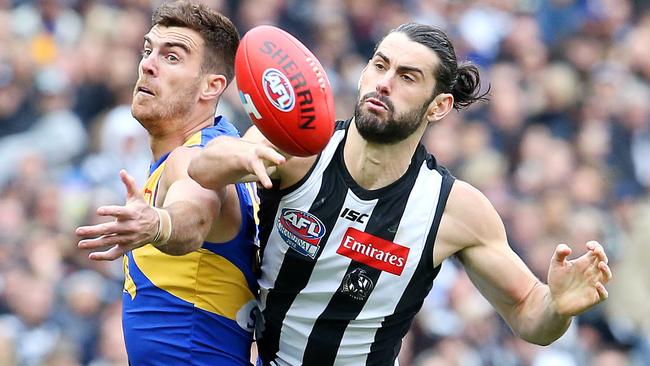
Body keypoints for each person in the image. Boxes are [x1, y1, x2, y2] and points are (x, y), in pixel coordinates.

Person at [188, 23, 612, 365]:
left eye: (407, 77)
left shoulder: (455, 210)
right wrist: (234, 155)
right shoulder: (297, 151)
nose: (384, 83)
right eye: (379, 65)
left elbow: (529, 316)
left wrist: (558, 305)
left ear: (439, 106)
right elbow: (202, 168)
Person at [75, 1, 258, 365]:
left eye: (172, 57)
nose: (147, 64)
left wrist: (160, 224)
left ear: (212, 86)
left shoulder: (195, 159)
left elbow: (195, 212)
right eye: (148, 51)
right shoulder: (220, 148)